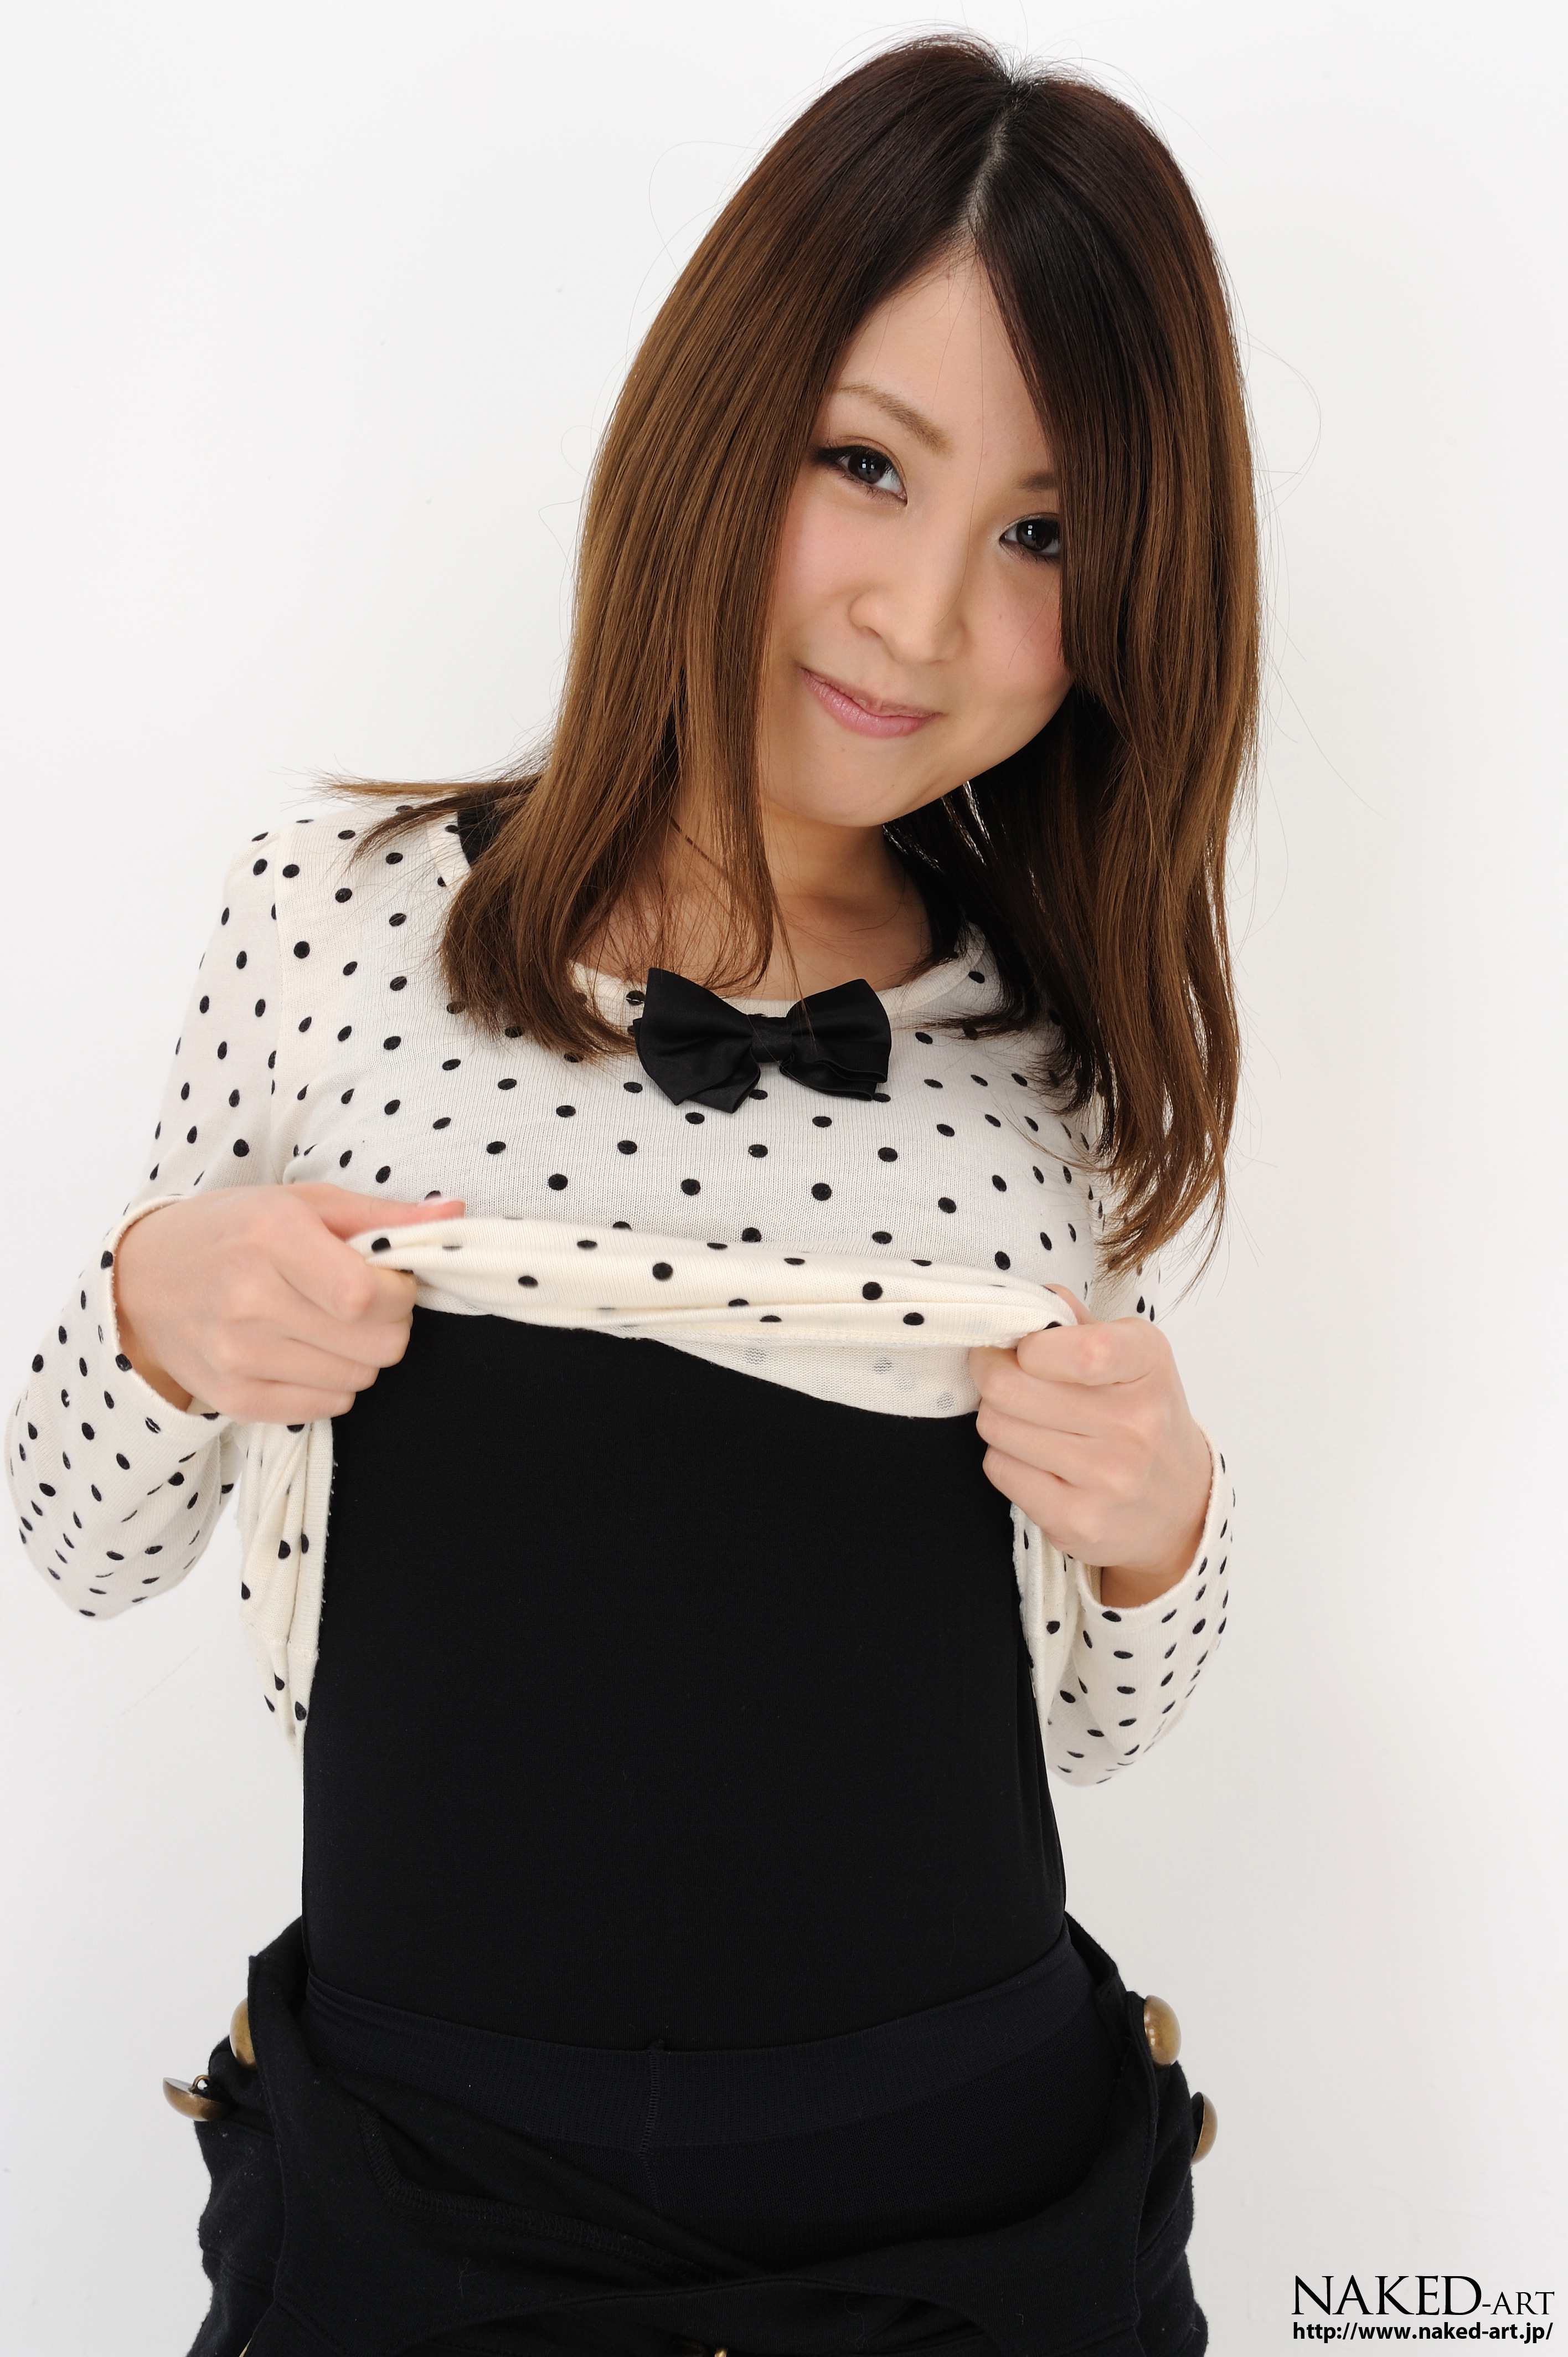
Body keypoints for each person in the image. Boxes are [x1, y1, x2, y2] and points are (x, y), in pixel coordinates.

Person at [6, 34, 1252, 2357]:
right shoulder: (332, 910)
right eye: (865, 464)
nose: (918, 616)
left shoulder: (1046, 1047)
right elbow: (76, 1538)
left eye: (1046, 537)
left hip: (969, 2211)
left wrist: (1167, 1519)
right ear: (718, 415)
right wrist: (157, 1307)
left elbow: (1094, 1722)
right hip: (419, 2194)